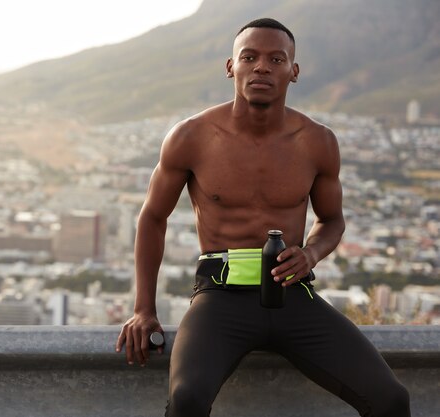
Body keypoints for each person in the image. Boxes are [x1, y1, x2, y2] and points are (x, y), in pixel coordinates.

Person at [115, 17, 410, 417]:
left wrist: (311, 253)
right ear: (230, 66)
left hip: (294, 296)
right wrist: (143, 309)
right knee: (187, 400)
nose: (262, 67)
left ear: (294, 71)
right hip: (220, 298)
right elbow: (152, 218)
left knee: (392, 400)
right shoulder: (191, 136)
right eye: (249, 57)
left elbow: (332, 220)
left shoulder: (317, 142)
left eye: (276, 59)